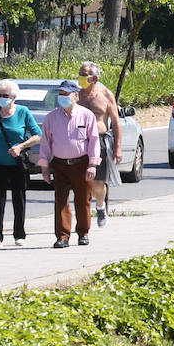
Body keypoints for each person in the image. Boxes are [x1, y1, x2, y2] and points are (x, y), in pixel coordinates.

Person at [38, 79, 100, 248]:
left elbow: (94, 140)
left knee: (83, 200)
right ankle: (62, 236)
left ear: (75, 96)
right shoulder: (51, 118)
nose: (62, 97)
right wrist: (44, 167)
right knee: (61, 200)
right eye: (60, 94)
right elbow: (45, 143)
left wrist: (93, 164)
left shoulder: (87, 115)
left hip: (82, 163)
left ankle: (83, 232)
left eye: (66, 94)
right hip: (59, 164)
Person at [0, 78, 40, 248]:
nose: (1, 98)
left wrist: (21, 146)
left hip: (18, 164)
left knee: (18, 199)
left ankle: (19, 234)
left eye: (4, 95)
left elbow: (38, 135)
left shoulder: (23, 112)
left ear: (13, 96)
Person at [77, 61, 122, 227]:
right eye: (80, 74)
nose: (80, 77)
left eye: (84, 74)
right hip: (79, 141)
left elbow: (116, 123)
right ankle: (83, 214)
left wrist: (117, 148)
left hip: (100, 141)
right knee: (80, 180)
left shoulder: (105, 94)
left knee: (98, 182)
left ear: (94, 77)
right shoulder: (76, 95)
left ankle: (100, 206)